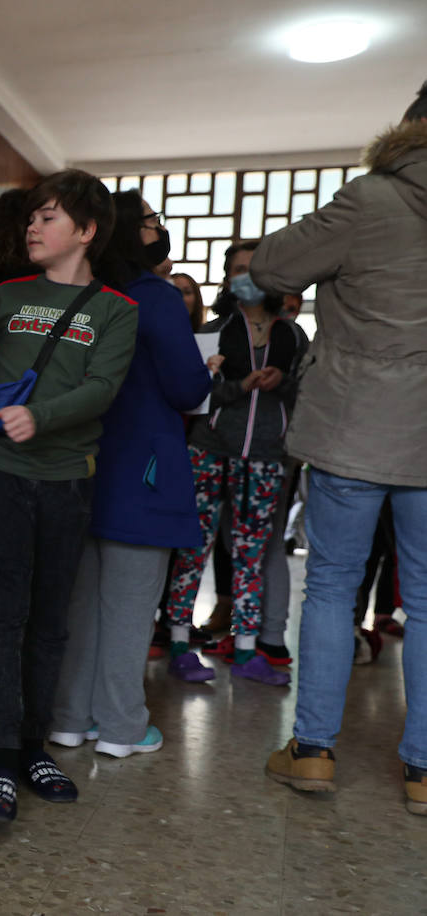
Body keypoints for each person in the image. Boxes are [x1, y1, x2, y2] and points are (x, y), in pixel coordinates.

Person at [0, 169, 138, 821]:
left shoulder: (117, 309)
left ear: (85, 232)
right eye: (32, 217)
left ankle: (32, 746)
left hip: (65, 480)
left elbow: (103, 388)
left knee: (50, 621)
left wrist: (41, 417)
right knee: (1, 615)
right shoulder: (7, 295)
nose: (32, 226)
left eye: (48, 217)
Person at [258, 82, 427, 815]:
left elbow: (270, 266)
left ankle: (315, 752)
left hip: (356, 425)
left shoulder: (374, 196)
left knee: (330, 586)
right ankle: (423, 771)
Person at [50, 193, 209, 758]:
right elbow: (187, 386)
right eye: (151, 223)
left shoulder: (82, 293)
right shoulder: (155, 298)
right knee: (130, 604)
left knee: (83, 602)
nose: (158, 230)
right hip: (144, 468)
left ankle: (69, 717)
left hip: (80, 462)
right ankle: (120, 726)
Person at [164, 243, 302, 685]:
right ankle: (180, 643)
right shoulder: (212, 331)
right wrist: (237, 384)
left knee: (251, 556)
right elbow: (195, 397)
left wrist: (282, 384)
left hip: (265, 458)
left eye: (255, 269)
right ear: (227, 280)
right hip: (208, 452)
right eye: (238, 270)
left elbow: (307, 394)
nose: (247, 277)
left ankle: (246, 650)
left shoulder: (293, 336)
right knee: (192, 549)